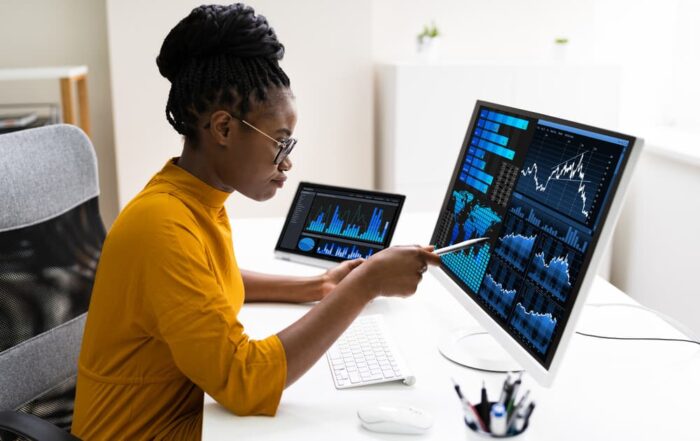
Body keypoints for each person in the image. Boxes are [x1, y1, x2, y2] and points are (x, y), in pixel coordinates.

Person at [71, 4, 440, 440]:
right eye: (280, 143)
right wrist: (364, 287)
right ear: (223, 129)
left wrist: (317, 287)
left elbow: (209, 282)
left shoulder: (192, 199)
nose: (288, 162)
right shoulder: (162, 227)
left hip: (182, 415)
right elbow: (244, 383)